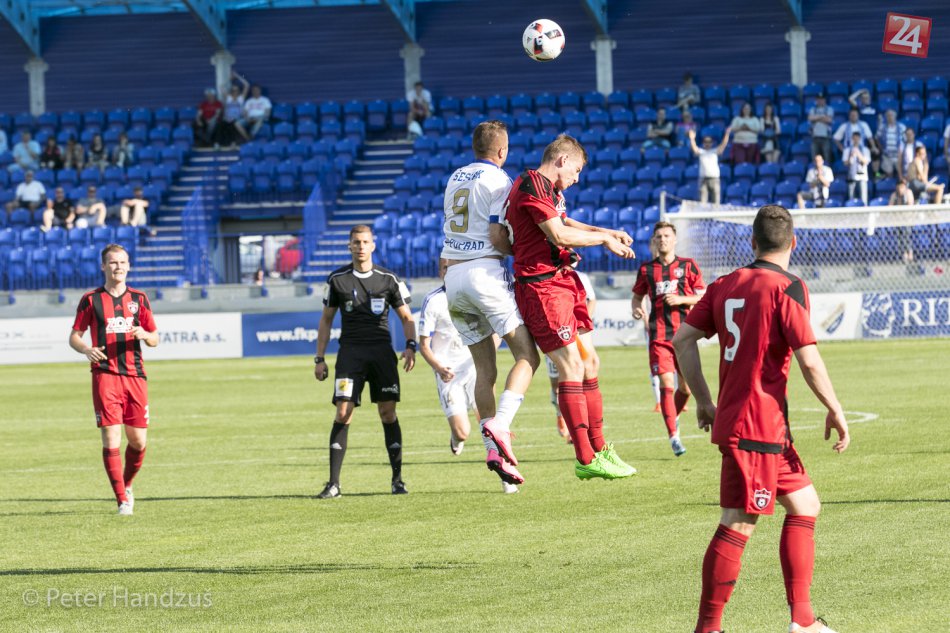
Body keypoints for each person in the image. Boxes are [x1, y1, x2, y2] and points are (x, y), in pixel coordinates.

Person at [672, 204, 850, 633]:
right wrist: (835, 408)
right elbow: (809, 360)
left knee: (806, 504)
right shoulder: (789, 287)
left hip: (760, 426)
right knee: (738, 521)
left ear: (752, 242)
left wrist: (704, 400)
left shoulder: (725, 284)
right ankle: (708, 628)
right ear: (793, 243)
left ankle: (803, 621)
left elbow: (682, 339)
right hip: (757, 424)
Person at [504, 134, 638, 480]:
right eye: (576, 170)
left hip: (563, 280)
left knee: (590, 361)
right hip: (541, 286)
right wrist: (604, 240)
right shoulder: (532, 184)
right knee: (571, 365)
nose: (577, 178)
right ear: (562, 160)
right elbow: (559, 235)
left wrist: (606, 230)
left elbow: (565, 222)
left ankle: (600, 448)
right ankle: (585, 457)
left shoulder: (550, 190)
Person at [441, 119, 540, 488]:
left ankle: (496, 458)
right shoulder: (499, 180)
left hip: (454, 277)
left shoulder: (454, 178)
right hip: (484, 272)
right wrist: (524, 252)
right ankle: (502, 424)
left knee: (484, 371)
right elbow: (498, 236)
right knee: (527, 355)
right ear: (502, 150)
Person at [313, 225, 416, 499]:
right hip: (350, 355)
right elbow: (326, 320)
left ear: (373, 245)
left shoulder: (389, 279)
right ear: (349, 245)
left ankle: (397, 480)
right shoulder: (337, 279)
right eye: (356, 242)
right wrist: (319, 358)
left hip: (382, 354)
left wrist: (410, 346)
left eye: (365, 242)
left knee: (387, 413)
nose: (360, 246)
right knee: (343, 412)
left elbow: (407, 317)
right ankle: (333, 484)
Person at [69, 244, 159, 516]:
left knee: (138, 441)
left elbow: (155, 338)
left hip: (135, 376)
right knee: (111, 438)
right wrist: (86, 349)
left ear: (128, 266)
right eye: (112, 262)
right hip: (105, 375)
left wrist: (145, 335)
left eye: (122, 262)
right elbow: (74, 336)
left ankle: (127, 484)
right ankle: (122, 501)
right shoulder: (91, 299)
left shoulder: (139, 299)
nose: (118, 267)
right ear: (103, 266)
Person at [418, 261, 517, 494]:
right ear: (440, 271)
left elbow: (495, 331)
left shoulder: (474, 292)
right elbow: (424, 345)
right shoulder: (433, 300)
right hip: (448, 373)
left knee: (490, 424)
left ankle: (506, 475)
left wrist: (487, 355)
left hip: (476, 368)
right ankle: (456, 438)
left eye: (451, 267)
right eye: (444, 268)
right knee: (463, 431)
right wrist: (438, 367)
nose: (447, 271)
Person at [631, 221, 705, 456]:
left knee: (686, 389)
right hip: (659, 336)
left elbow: (703, 296)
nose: (663, 239)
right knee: (666, 383)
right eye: (659, 236)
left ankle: (673, 417)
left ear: (675, 240)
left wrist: (682, 300)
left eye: (666, 236)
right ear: (654, 241)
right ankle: (674, 435)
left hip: (685, 337)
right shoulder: (646, 270)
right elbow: (637, 297)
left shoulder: (688, 265)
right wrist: (636, 309)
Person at [545, 270, 596, 443]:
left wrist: (583, 322)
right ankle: (560, 413)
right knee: (556, 384)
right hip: (556, 334)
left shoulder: (580, 276)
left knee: (581, 377)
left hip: (576, 334)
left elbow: (591, 300)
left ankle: (577, 428)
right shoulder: (546, 276)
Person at [688, 128, 731, 205]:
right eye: (705, 142)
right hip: (703, 180)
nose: (707, 143)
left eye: (709, 142)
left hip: (714, 179)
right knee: (702, 203)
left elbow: (723, 144)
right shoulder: (701, 152)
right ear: (703, 143)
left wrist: (727, 134)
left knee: (716, 203)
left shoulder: (715, 151)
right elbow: (694, 148)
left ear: (712, 143)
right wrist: (692, 139)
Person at [889, 180, 917, 268]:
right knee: (899, 235)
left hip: (908, 219)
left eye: (902, 187)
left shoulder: (908, 193)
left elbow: (910, 206)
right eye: (899, 187)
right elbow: (889, 207)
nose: (900, 189)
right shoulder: (894, 195)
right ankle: (904, 253)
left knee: (906, 234)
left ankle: (910, 252)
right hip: (897, 220)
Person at [218, 72, 251, 146]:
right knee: (220, 125)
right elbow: (221, 86)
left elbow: (247, 85)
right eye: (233, 90)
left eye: (236, 90)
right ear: (231, 91)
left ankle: (235, 142)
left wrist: (238, 76)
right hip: (228, 118)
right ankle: (219, 144)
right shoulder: (228, 98)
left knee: (233, 124)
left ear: (239, 91)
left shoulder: (241, 98)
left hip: (238, 118)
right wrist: (229, 79)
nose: (235, 92)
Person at [875, 110, 905, 179]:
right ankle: (882, 179)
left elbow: (905, 140)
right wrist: (881, 148)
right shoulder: (882, 127)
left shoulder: (902, 127)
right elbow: (877, 138)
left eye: (891, 115)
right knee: (888, 174)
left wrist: (901, 152)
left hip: (899, 155)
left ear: (895, 116)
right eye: (888, 116)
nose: (890, 117)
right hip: (886, 155)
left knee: (901, 174)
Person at [843, 132, 870, 205]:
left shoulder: (865, 150)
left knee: (863, 199)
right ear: (852, 139)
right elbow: (845, 163)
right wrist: (851, 156)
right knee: (851, 199)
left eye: (857, 138)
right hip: (852, 177)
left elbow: (865, 162)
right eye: (854, 138)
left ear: (860, 139)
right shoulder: (847, 150)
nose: (855, 140)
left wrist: (858, 154)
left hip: (862, 176)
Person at [807, 94, 834, 164]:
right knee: (814, 158)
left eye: (822, 99)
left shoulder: (829, 109)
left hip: (826, 137)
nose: (820, 101)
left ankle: (827, 169)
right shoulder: (813, 109)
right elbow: (810, 118)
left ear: (824, 100)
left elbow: (829, 120)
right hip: (815, 137)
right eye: (818, 99)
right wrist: (822, 117)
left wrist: (816, 118)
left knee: (827, 157)